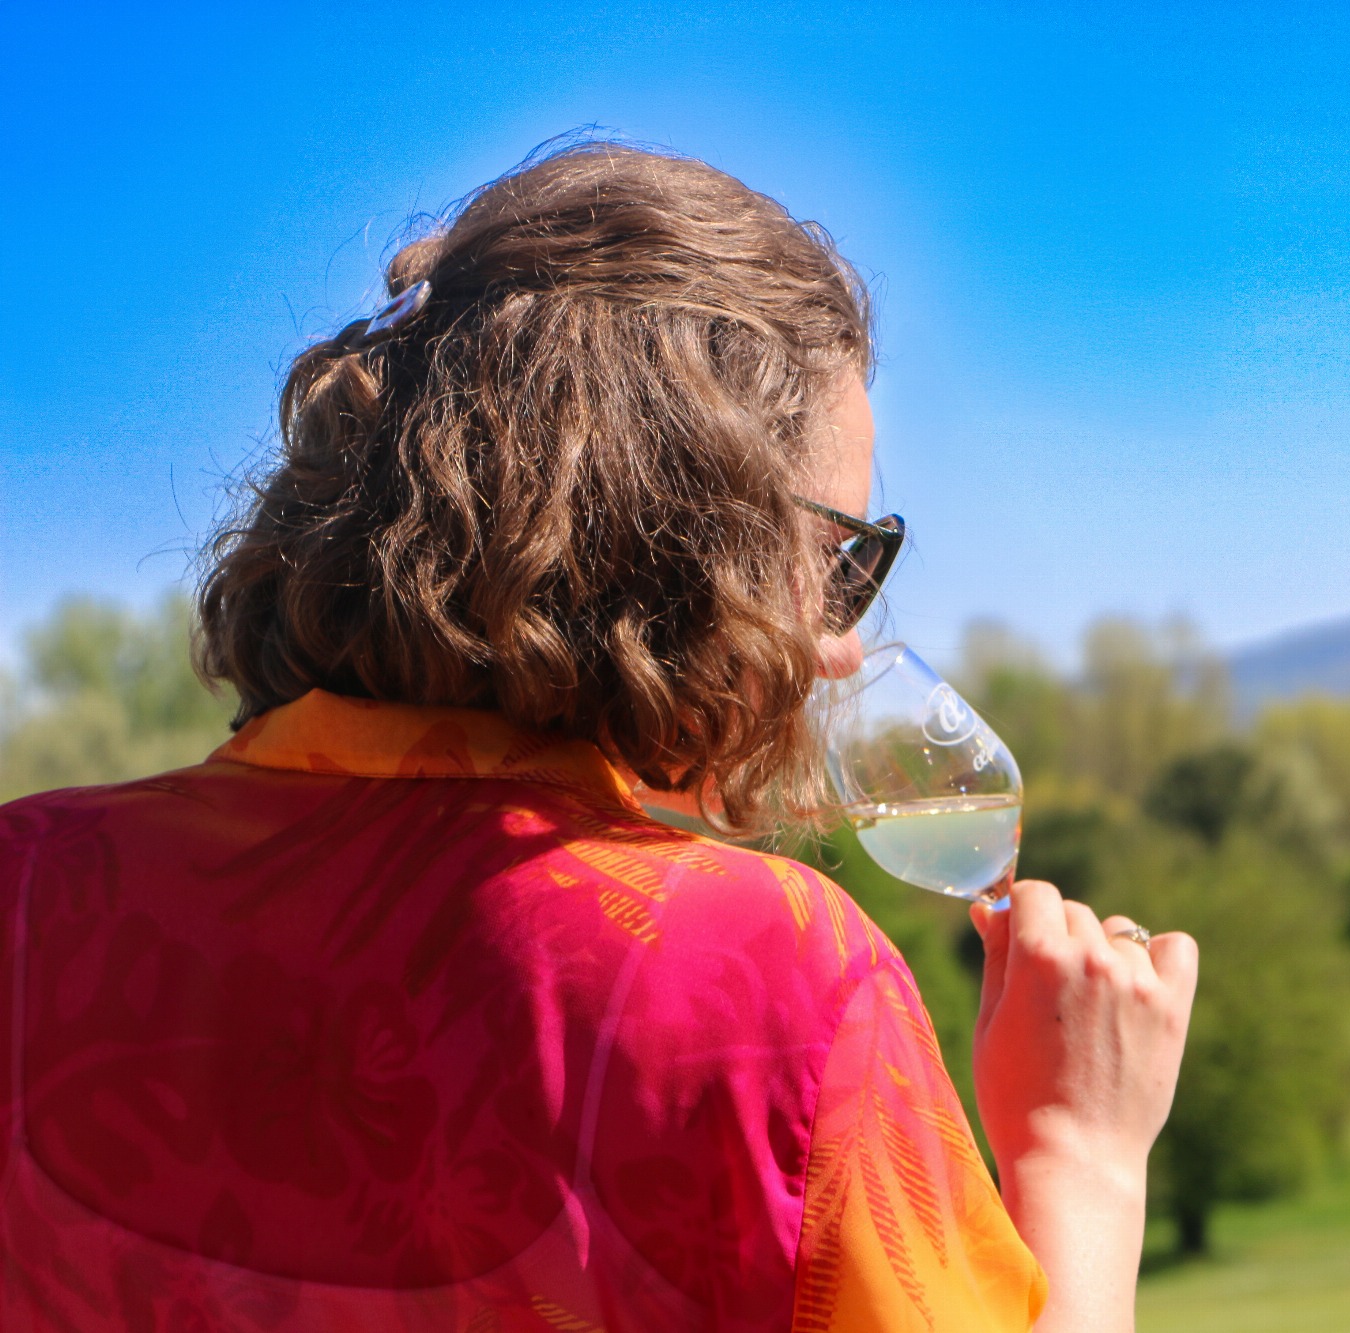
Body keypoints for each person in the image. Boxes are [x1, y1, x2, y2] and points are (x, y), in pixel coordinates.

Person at [0, 140, 1196, 1332]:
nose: (839, 645)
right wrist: (1078, 1157)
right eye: (837, 561)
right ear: (692, 546)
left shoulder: (29, 884)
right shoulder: (777, 985)